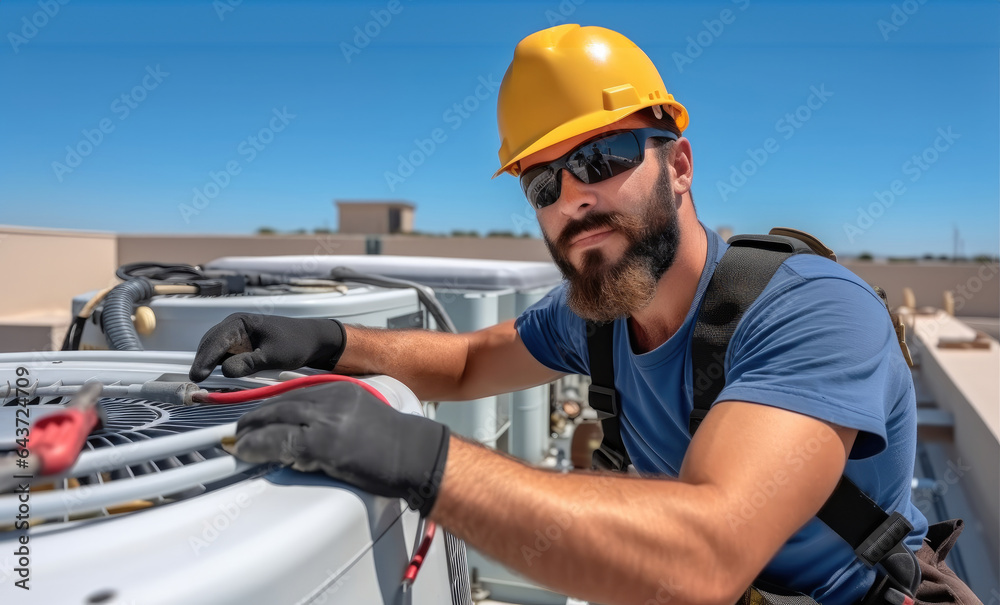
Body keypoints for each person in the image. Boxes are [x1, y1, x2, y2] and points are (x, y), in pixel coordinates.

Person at [189, 25, 979, 605]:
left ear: (679, 163)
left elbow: (708, 550)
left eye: (600, 159)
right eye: (543, 185)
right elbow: (465, 362)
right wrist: (328, 341)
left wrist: (417, 460)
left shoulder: (808, 312)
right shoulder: (599, 320)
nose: (573, 199)